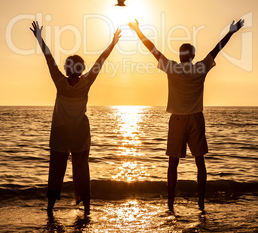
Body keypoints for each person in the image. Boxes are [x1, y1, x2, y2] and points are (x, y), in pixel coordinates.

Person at [128, 18, 244, 212]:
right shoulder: (200, 68)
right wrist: (232, 31)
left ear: (181, 55)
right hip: (196, 119)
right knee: (200, 163)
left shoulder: (172, 68)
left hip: (178, 119)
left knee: (173, 163)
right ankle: (200, 203)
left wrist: (138, 31)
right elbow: (217, 49)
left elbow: (152, 49)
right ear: (193, 55)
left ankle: (171, 204)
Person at [30, 20, 121, 217]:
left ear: (66, 68)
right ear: (80, 69)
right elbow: (101, 60)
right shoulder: (86, 82)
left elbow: (49, 58)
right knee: (82, 172)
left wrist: (39, 38)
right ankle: (87, 209)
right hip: (80, 134)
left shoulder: (59, 81)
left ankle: (50, 210)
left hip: (60, 135)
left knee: (56, 172)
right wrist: (113, 43)